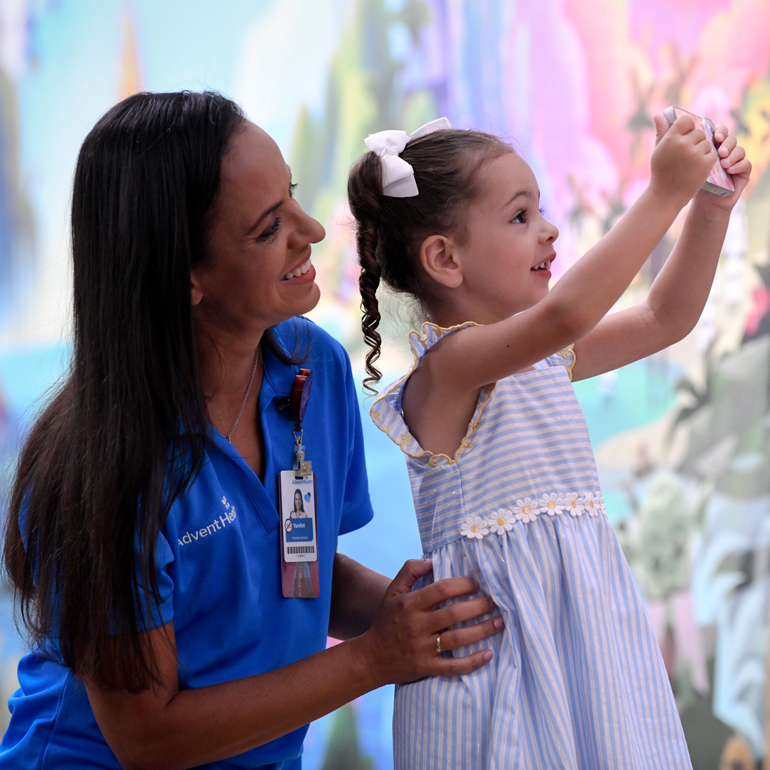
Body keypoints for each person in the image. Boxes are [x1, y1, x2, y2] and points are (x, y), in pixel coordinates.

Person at [0, 92, 505, 770]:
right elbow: (150, 739)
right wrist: (374, 657)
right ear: (186, 277)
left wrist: (415, 615)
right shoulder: (102, 474)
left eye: (293, 196)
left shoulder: (312, 368)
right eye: (269, 229)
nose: (314, 232)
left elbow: (293, 570)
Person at [347, 114, 751, 768]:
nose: (550, 229)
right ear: (445, 259)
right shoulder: (449, 371)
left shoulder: (539, 359)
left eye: (541, 209)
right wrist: (661, 194)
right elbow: (567, 311)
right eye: (519, 216)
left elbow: (664, 317)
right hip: (500, 663)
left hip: (585, 646)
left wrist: (709, 204)